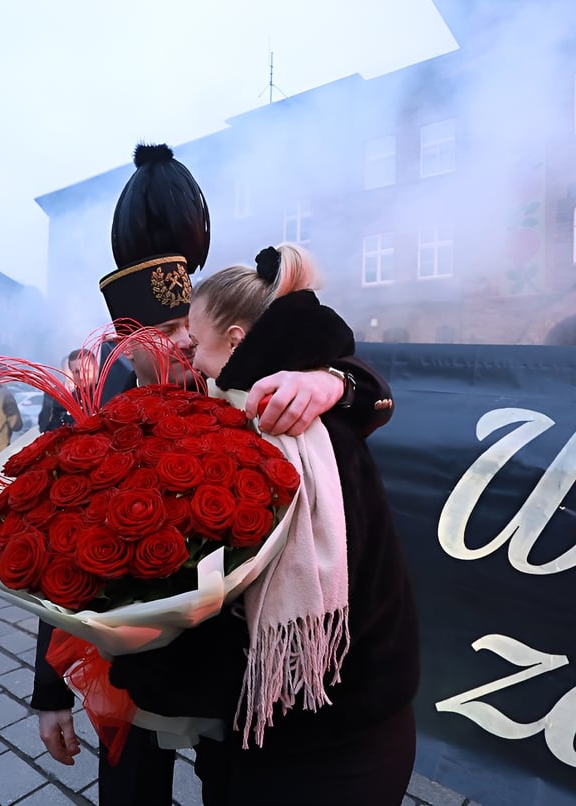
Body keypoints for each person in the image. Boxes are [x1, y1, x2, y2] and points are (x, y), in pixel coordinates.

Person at [31, 145, 383, 806]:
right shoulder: (94, 391)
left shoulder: (232, 362)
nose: (176, 346)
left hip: (235, 664)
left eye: (181, 327)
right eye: (154, 332)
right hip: (129, 661)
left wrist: (327, 383)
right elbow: (56, 543)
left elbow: (365, 385)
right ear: (121, 337)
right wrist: (50, 693)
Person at [108, 244, 420, 806]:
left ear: (233, 339)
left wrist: (134, 652)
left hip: (317, 739)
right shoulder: (250, 404)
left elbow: (247, 631)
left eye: (189, 334)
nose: (181, 348)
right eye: (167, 332)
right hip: (291, 732)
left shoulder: (279, 429)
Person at [38, 349, 97, 433]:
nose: (79, 375)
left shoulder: (94, 390)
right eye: (74, 371)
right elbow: (45, 425)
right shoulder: (53, 395)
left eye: (83, 370)